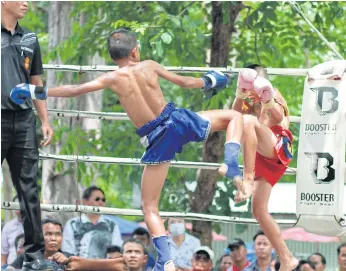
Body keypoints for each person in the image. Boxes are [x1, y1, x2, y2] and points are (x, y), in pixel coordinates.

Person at [10, 28, 245, 271]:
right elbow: (186, 83)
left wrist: (33, 91)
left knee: (150, 206)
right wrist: (210, 81)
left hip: (158, 137)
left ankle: (166, 261)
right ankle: (231, 162)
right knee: (233, 117)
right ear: (135, 51)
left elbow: (74, 90)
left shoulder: (112, 78)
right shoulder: (150, 65)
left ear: (114, 56)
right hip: (177, 120)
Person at [1, 2, 54, 271]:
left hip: (24, 121)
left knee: (29, 191)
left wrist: (44, 120)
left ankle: (34, 256)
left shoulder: (30, 38)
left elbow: (36, 80)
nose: (26, 3)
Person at [231, 64, 298, 271]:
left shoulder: (273, 94)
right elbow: (234, 118)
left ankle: (248, 180)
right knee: (259, 210)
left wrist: (266, 101)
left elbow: (280, 121)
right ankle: (287, 258)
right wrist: (240, 95)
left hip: (276, 145)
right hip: (260, 155)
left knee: (249, 120)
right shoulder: (247, 99)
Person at [62, 186, 123, 259]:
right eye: (97, 199)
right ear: (85, 201)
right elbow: (67, 251)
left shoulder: (112, 225)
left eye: (103, 200)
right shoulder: (72, 224)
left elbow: (116, 250)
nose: (101, 202)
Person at [8, 219, 72, 270]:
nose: (53, 238)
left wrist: (67, 263)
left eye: (58, 234)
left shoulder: (69, 258)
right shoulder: (27, 256)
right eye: (48, 234)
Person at [1, 197, 24, 266]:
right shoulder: (8, 227)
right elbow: (3, 253)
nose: (19, 209)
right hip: (10, 267)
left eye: (21, 206)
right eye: (16, 206)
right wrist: (3, 268)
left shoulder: (39, 225)